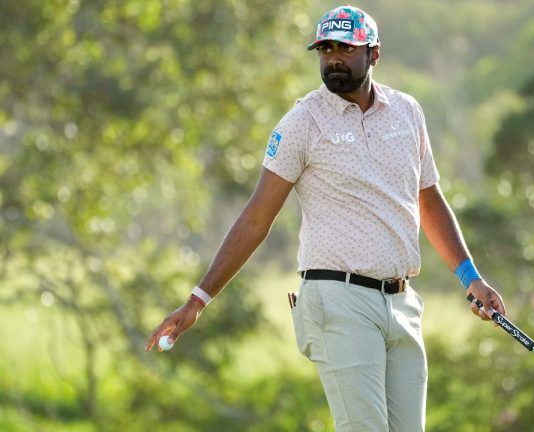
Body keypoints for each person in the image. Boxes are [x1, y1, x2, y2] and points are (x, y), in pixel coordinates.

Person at [146, 5, 506, 431]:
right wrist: (197, 301)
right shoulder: (303, 122)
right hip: (339, 301)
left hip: (402, 302)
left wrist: (470, 277)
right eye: (325, 50)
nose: (333, 59)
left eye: (346, 49)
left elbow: (429, 201)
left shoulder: (407, 112)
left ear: (373, 54)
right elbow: (256, 219)